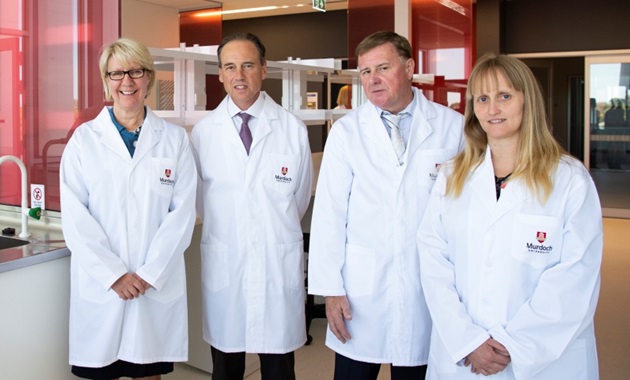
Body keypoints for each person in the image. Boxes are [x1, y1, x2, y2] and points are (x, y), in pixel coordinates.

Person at [417, 54, 602, 379]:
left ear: (527, 101)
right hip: (464, 353)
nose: (492, 109)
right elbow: (433, 262)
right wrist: (468, 340)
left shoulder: (570, 180)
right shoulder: (452, 176)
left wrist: (510, 344)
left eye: (504, 96)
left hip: (541, 359)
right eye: (483, 99)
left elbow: (575, 277)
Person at [307, 31, 464, 380]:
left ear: (408, 67)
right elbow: (330, 215)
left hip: (428, 285)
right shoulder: (347, 132)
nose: (372, 80)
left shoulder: (452, 128)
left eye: (382, 68)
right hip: (362, 290)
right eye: (364, 72)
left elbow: (465, 212)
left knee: (416, 369)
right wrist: (331, 290)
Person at [60, 37, 197, 379]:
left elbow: (181, 215)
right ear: (106, 80)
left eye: (136, 71)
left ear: (149, 77)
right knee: (101, 368)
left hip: (154, 284)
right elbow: (76, 219)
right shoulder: (83, 141)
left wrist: (149, 274)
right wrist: (115, 275)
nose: (127, 82)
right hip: (103, 287)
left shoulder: (174, 139)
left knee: (149, 370)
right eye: (117, 73)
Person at [190, 32, 313, 380]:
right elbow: (202, 199)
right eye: (230, 67)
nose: (239, 75)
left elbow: (298, 199)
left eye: (247, 65)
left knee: (278, 368)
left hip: (277, 264)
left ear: (263, 69)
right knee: (226, 367)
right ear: (220, 74)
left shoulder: (291, 128)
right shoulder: (204, 133)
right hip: (226, 262)